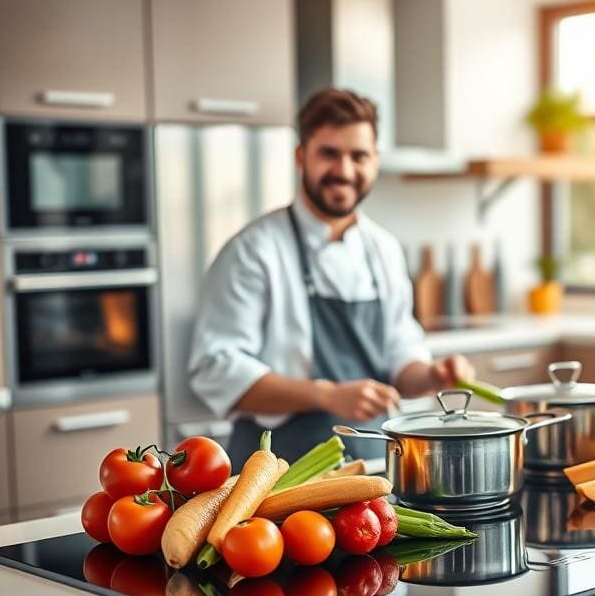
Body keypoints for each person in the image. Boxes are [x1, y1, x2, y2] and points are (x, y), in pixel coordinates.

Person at [189, 88, 474, 470]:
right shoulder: (254, 250)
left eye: (359, 156)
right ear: (301, 156)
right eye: (329, 153)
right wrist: (325, 396)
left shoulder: (383, 249)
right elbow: (215, 369)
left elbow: (399, 358)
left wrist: (431, 376)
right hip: (275, 475)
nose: (344, 170)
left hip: (372, 471)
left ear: (375, 161)